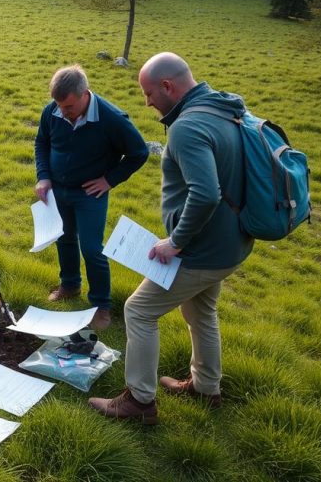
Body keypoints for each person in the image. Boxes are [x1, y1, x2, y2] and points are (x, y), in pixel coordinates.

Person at [89, 52, 255, 424]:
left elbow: (206, 193)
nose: (147, 102)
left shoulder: (188, 127)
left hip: (203, 250)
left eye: (149, 93)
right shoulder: (225, 109)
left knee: (138, 310)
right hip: (231, 243)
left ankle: (139, 402)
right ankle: (206, 388)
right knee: (200, 310)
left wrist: (176, 241)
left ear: (168, 86)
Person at [34, 64, 149, 329]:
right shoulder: (52, 111)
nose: (63, 112)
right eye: (59, 106)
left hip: (89, 194)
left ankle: (101, 306)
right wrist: (43, 176)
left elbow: (139, 153)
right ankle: (70, 285)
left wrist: (109, 180)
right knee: (63, 237)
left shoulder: (112, 119)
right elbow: (42, 142)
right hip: (58, 191)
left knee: (92, 248)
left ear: (85, 94)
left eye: (69, 107)